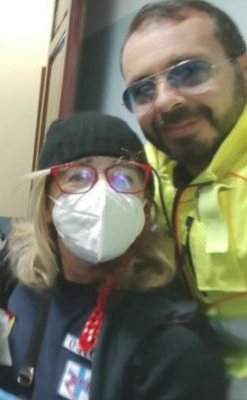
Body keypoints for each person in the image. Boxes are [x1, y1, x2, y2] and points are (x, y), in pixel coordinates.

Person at [0, 112, 226, 399]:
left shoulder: (172, 342)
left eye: (124, 178)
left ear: (144, 208)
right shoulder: (20, 283)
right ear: (46, 205)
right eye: (78, 176)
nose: (103, 196)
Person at [120, 0, 247, 392]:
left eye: (189, 72)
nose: (165, 101)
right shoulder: (147, 174)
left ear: (243, 68)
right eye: (143, 90)